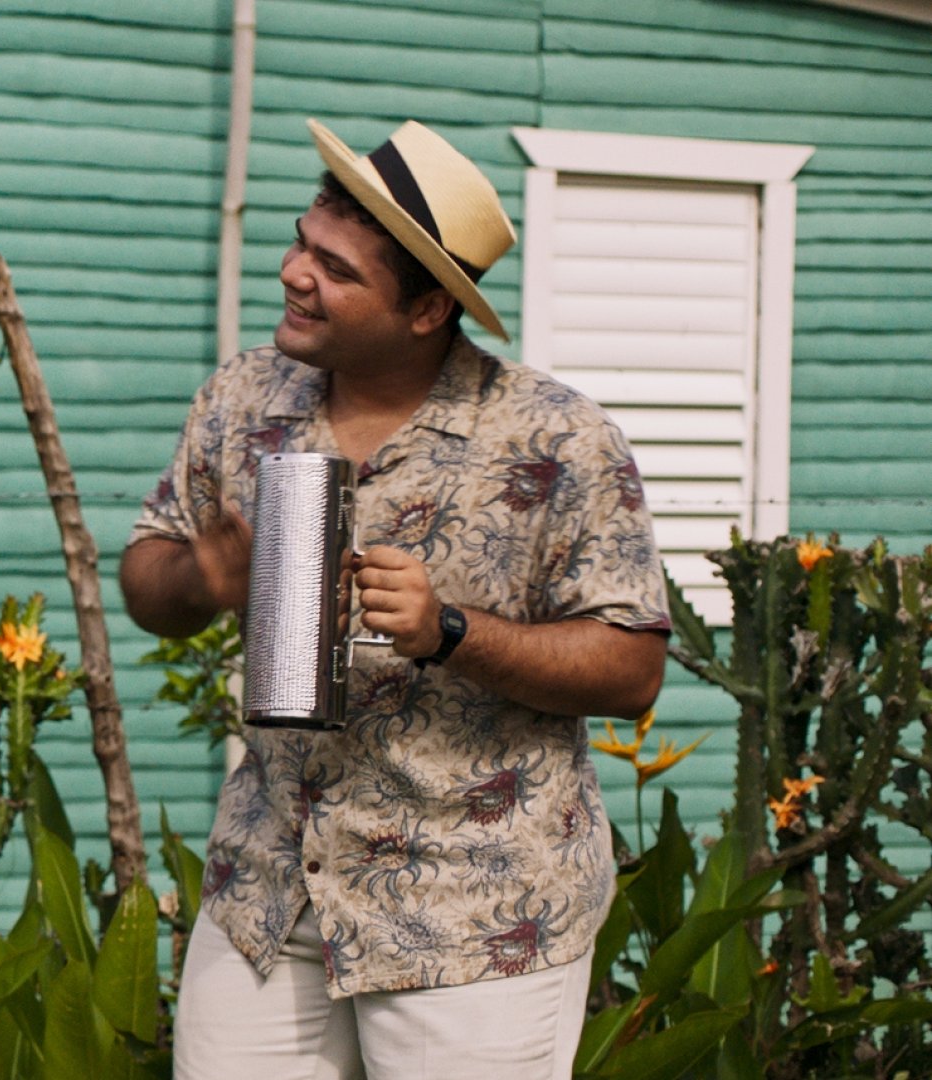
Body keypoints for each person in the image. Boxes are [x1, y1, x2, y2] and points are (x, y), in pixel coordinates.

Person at [122, 118, 670, 1078]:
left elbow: (632, 669)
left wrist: (451, 632)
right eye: (301, 242)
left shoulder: (556, 438)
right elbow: (147, 577)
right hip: (272, 884)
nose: (296, 273)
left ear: (426, 312)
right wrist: (199, 578)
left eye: (337, 269)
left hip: (472, 911)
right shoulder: (243, 399)